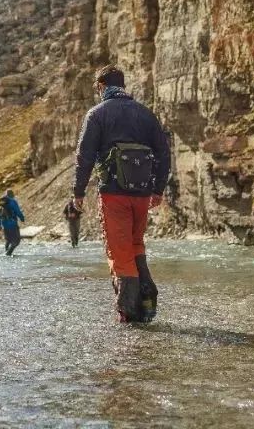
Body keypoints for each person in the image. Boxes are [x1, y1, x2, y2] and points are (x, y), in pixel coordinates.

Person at [72, 65, 171, 323]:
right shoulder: (146, 114)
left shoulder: (97, 114)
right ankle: (147, 303)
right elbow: (164, 153)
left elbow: (84, 157)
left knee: (120, 252)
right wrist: (158, 189)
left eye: (98, 88)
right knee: (136, 245)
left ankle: (129, 313)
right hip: (142, 195)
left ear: (102, 87)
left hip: (114, 194)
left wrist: (78, 192)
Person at [0, 189, 25, 256]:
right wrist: (22, 218)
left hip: (4, 224)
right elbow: (17, 211)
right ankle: (8, 253)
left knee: (8, 240)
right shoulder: (12, 202)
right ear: (12, 195)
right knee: (16, 241)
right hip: (12, 224)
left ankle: (6, 253)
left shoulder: (2, 203)